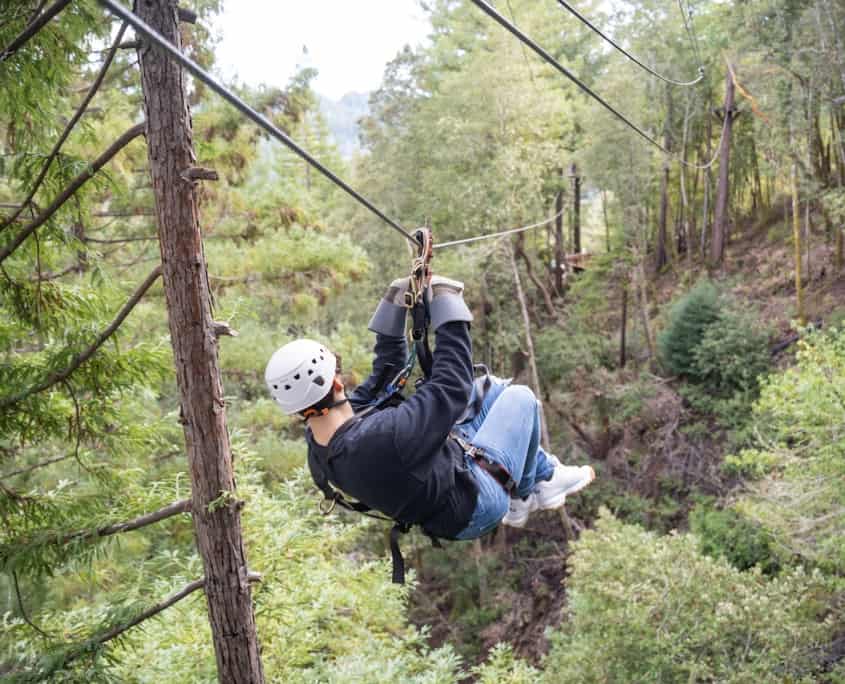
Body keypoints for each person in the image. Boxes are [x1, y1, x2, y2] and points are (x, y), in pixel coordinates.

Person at [264, 274, 595, 549]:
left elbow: (387, 375)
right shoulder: (382, 439)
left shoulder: (322, 440)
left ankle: (544, 474)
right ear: (335, 383)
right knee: (521, 400)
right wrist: (448, 305)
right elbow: (450, 386)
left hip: (447, 474)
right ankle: (525, 495)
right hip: (476, 503)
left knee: (488, 390)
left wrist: (395, 301)